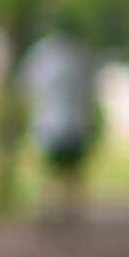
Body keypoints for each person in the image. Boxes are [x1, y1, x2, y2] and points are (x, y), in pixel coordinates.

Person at [25, 25, 98, 226]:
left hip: (51, 125)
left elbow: (29, 87)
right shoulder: (79, 56)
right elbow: (89, 90)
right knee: (71, 174)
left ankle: (50, 210)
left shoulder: (41, 56)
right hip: (70, 124)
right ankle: (69, 211)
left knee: (51, 172)